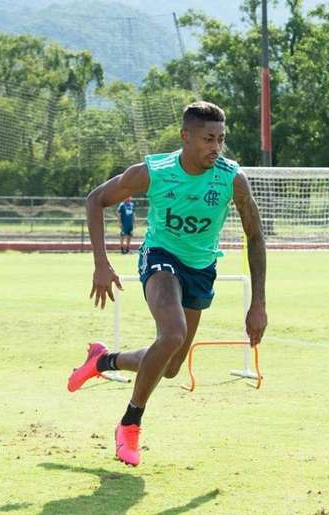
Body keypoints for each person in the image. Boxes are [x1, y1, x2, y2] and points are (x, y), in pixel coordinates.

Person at [69, 101, 267, 466]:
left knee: (171, 364)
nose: (216, 147)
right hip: (159, 257)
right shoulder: (154, 171)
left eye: (221, 139)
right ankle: (130, 424)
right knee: (173, 332)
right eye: (209, 139)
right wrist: (101, 263)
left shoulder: (231, 178)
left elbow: (255, 236)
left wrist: (258, 304)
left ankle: (102, 360)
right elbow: (96, 200)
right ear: (185, 137)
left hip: (202, 268)